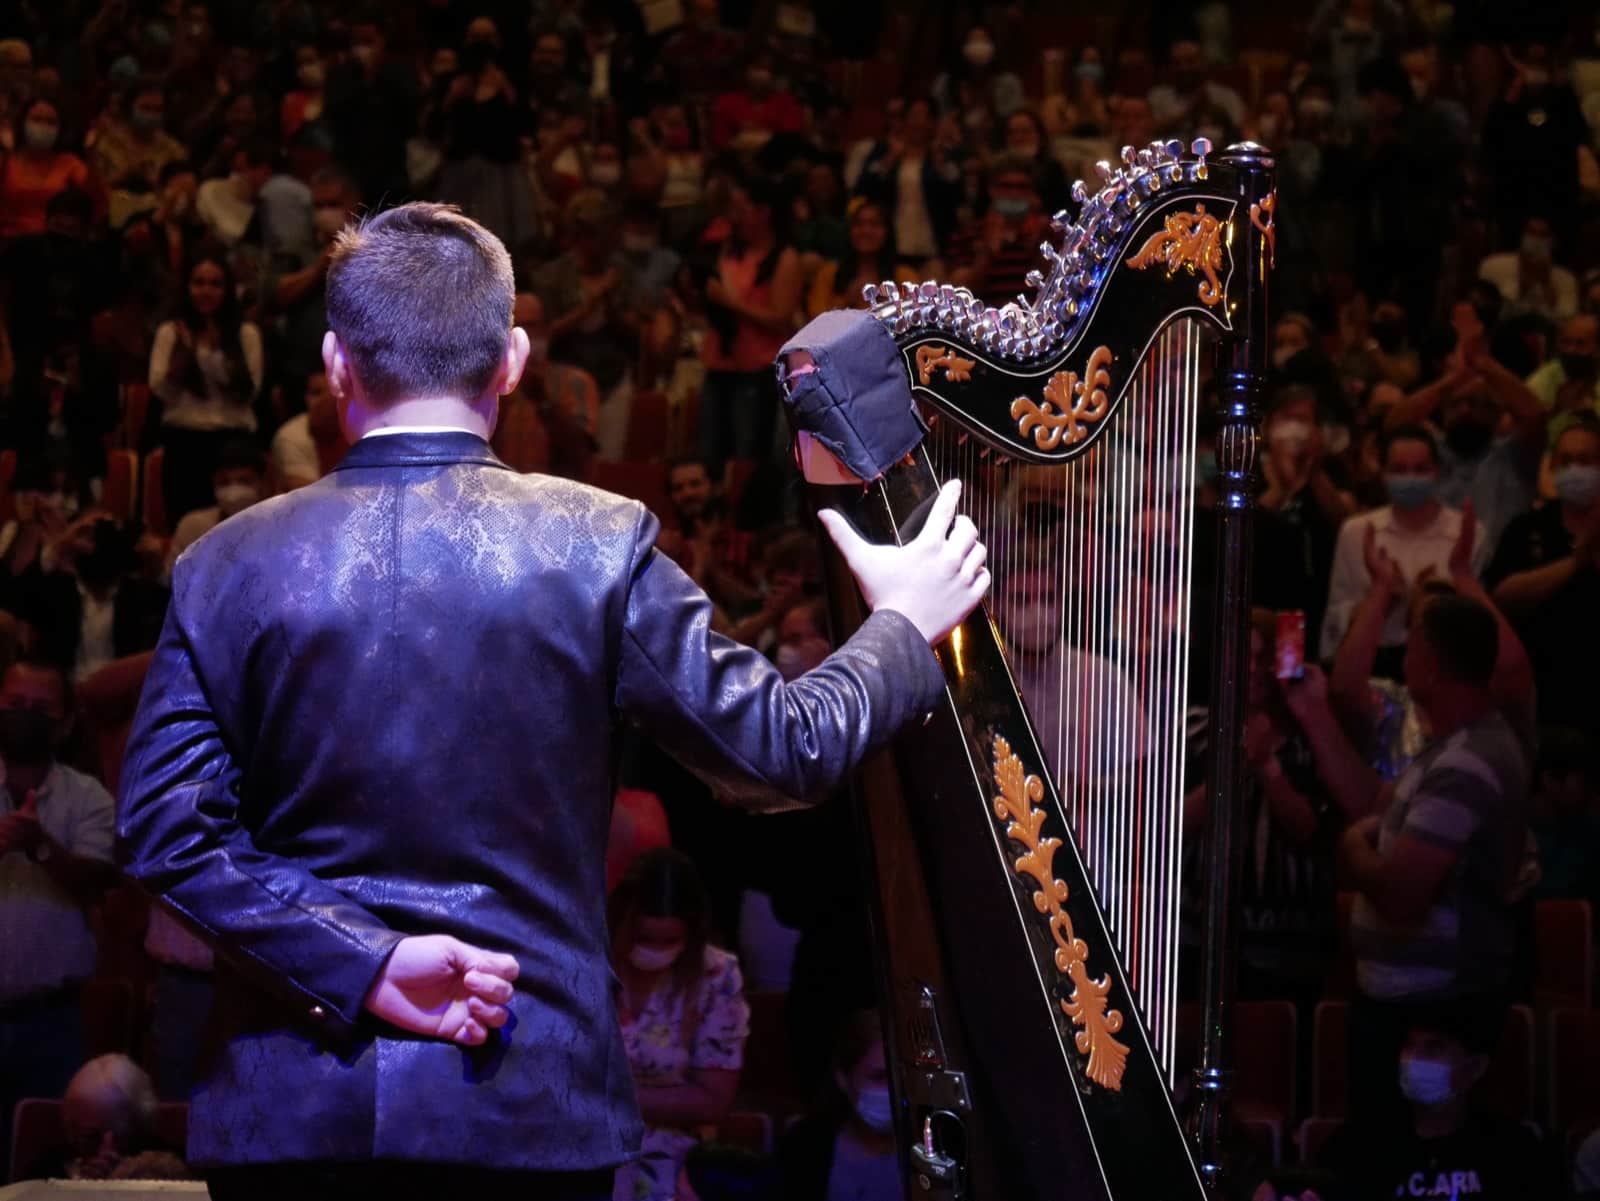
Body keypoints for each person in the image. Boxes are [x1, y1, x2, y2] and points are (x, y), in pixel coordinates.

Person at [117, 202, 989, 1200]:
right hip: (522, 1103)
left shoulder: (223, 563)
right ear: (515, 359)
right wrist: (900, 627)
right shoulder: (597, 545)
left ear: (334, 361)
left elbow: (164, 833)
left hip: (290, 1112)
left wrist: (364, 963)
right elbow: (780, 752)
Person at [0, 659, 119, 1175]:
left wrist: (41, 847)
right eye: (15, 706)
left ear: (66, 723)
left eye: (40, 710)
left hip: (53, 1017)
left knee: (48, 1164)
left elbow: (100, 881)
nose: (26, 718)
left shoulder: (88, 796)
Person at [1309, 1001, 1561, 1200]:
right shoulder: (1356, 1146)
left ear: (1475, 1067)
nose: (1415, 1060)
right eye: (1410, 1046)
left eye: (1434, 1048)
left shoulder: (1514, 1153)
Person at [611, 849, 749, 1201]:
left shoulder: (717, 976)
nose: (655, 951)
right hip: (587, 1149)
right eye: (643, 938)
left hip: (677, 1164)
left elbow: (713, 1100)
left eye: (669, 941)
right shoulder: (589, 963)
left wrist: (607, 1097)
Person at [1320, 425, 1487, 676]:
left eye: (1420, 469)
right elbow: (1335, 619)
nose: (1410, 478)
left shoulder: (1468, 533)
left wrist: (1433, 601)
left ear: (1437, 472)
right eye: (1399, 470)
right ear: (1383, 473)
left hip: (1445, 670)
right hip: (1373, 665)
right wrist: (1383, 597)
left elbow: (1480, 623)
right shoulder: (1356, 531)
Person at [148, 251, 264, 525]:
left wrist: (215, 357)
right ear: (187, 288)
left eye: (215, 284)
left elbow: (249, 392)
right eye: (199, 283)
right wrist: (185, 354)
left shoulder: (246, 334)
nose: (206, 291)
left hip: (233, 442)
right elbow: (162, 389)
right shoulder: (170, 333)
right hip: (184, 440)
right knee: (188, 526)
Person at [776, 1010, 899, 1201]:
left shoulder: (940, 1151)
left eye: (899, 1078)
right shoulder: (804, 1150)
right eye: (878, 1077)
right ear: (843, 1079)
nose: (891, 1091)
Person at [23, 1053, 192, 1181]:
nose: (107, 1152)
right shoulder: (46, 1174)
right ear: (71, 1131)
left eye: (121, 1136)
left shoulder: (172, 1170)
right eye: (91, 1138)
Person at [164, 438, 267, 573]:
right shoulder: (193, 525)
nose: (234, 491)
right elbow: (171, 581)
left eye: (244, 481)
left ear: (262, 484)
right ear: (214, 485)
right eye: (224, 482)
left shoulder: (280, 528)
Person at [0, 97, 92, 241]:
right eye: (36, 119)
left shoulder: (69, 163)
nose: (43, 126)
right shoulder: (7, 159)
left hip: (55, 246)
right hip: (8, 244)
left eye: (51, 122)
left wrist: (91, 157)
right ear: (22, 123)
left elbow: (96, 201)